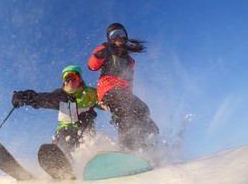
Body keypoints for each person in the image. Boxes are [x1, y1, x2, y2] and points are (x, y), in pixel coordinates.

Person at [88, 23, 159, 151]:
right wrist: (98, 54)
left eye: (121, 34)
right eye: (114, 35)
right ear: (110, 39)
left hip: (123, 93)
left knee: (144, 117)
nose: (118, 37)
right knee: (136, 108)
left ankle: (143, 146)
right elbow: (92, 66)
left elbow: (128, 83)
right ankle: (128, 147)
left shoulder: (130, 60)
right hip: (108, 90)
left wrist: (130, 97)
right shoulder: (106, 50)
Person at [12, 65, 100, 154]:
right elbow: (43, 99)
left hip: (86, 128)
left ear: (80, 79)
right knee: (64, 138)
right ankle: (59, 160)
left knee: (88, 140)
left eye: (74, 78)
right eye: (67, 79)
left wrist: (114, 109)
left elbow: (107, 101)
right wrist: (25, 97)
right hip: (66, 129)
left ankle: (92, 159)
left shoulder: (90, 93)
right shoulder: (61, 96)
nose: (70, 81)